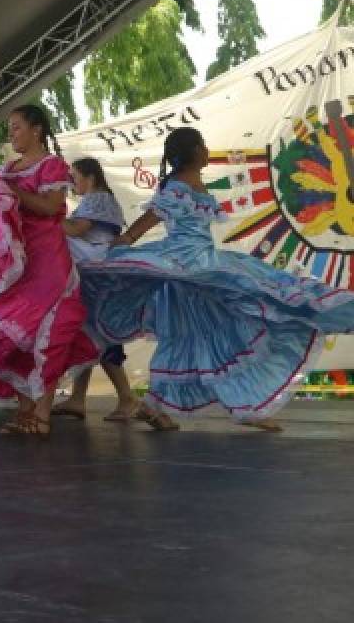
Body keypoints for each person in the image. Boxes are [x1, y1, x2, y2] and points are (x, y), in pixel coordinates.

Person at [80, 127, 354, 431]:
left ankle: (212, 406)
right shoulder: (176, 188)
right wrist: (124, 242)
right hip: (188, 268)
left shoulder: (191, 184)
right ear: (195, 152)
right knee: (215, 326)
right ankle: (228, 407)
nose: (208, 151)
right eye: (205, 146)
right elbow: (147, 222)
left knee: (206, 333)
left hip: (200, 268)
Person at [0, 105, 98, 437]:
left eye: (16, 128)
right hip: (18, 267)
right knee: (15, 337)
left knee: (49, 333)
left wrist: (9, 190)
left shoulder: (52, 165)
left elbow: (51, 207)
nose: (10, 134)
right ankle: (24, 410)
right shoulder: (8, 168)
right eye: (9, 129)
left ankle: (41, 414)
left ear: (37, 129)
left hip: (48, 263)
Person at [50, 157, 141, 422]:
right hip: (95, 271)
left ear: (90, 177)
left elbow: (77, 230)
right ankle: (79, 397)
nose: (73, 183)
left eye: (75, 177)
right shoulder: (98, 200)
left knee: (99, 333)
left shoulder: (98, 199)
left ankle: (126, 397)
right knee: (88, 332)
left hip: (97, 271)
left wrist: (49, 215)